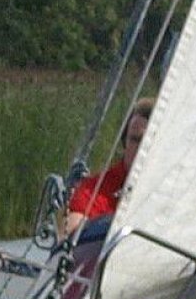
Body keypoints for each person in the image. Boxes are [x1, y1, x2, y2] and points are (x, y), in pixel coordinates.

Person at [63, 97, 154, 237]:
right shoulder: (93, 190)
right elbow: (70, 235)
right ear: (124, 142)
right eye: (135, 140)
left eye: (149, 141)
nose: (141, 149)